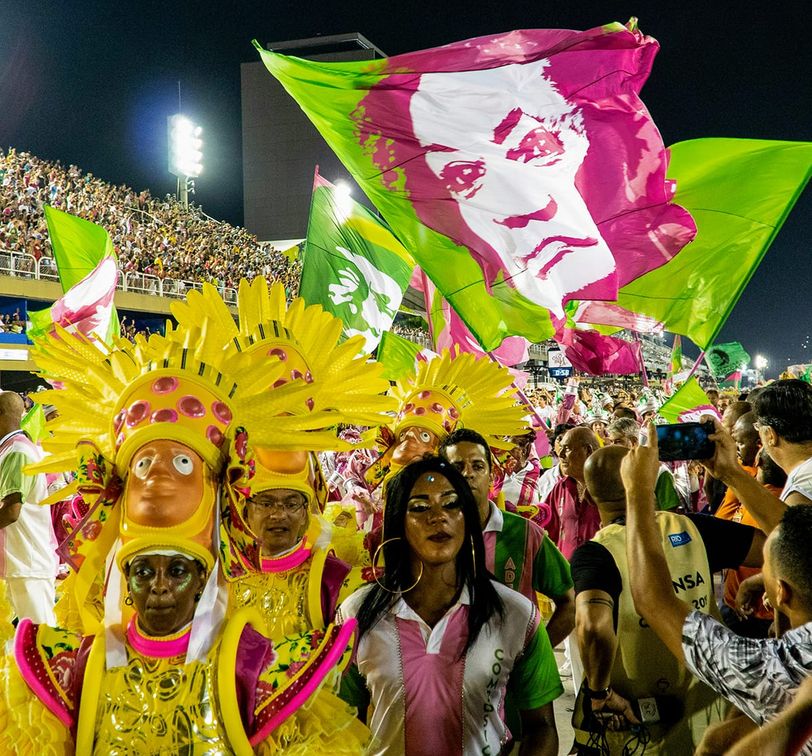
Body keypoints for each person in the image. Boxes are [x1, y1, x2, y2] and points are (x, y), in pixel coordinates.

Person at [338, 456, 562, 755]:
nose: (437, 517)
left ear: (467, 518)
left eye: (451, 504)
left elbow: (542, 728)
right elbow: (341, 721)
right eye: (419, 507)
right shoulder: (357, 615)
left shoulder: (515, 614)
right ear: (397, 523)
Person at [622, 423, 812, 754]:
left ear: (780, 593)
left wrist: (637, 492)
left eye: (763, 570)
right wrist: (732, 474)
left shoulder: (780, 668)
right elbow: (797, 539)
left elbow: (654, 600)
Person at [572, 445, 766, 753]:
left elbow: (594, 627)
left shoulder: (594, 554)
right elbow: (773, 549)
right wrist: (762, 579)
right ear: (647, 482)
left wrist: (599, 691)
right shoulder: (692, 527)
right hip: (706, 713)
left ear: (587, 494)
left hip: (634, 722)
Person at [439, 427, 575, 647]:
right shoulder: (430, 536)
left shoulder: (525, 534)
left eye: (477, 466)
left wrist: (534, 657)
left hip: (512, 678)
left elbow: (570, 602)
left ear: (492, 475)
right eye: (457, 467)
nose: (468, 474)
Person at [0, 390, 58, 623]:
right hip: (18, 562)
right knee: (23, 642)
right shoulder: (10, 449)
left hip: (28, 562)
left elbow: (12, 511)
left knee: (41, 637)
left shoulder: (17, 451)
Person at [543, 426, 601, 560]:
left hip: (602, 576)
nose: (561, 454)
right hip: (568, 576)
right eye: (561, 448)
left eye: (567, 449)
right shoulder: (560, 488)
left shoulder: (609, 487)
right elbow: (547, 532)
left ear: (587, 450)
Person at [606, 416, 681, 511]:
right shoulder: (612, 471)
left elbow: (670, 515)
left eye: (618, 441)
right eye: (611, 442)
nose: (612, 447)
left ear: (633, 441)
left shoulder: (659, 472)